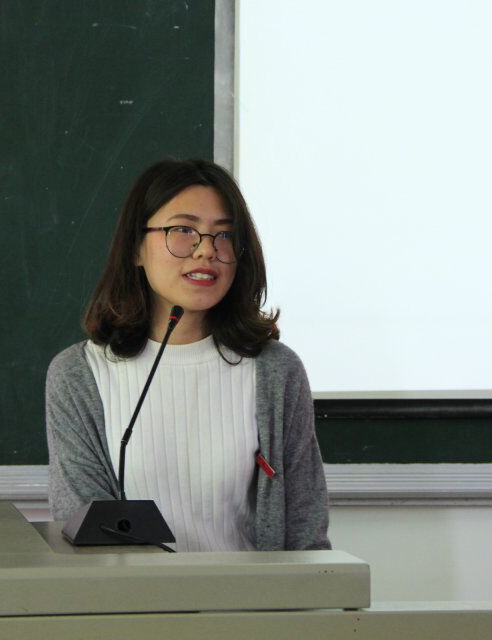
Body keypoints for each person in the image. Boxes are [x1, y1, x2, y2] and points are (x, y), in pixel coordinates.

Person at [45, 158, 330, 551]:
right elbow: (82, 530)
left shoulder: (276, 372)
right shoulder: (78, 376)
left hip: (252, 591)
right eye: (183, 230)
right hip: (131, 592)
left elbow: (305, 535)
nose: (206, 250)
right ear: (135, 248)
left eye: (224, 235)